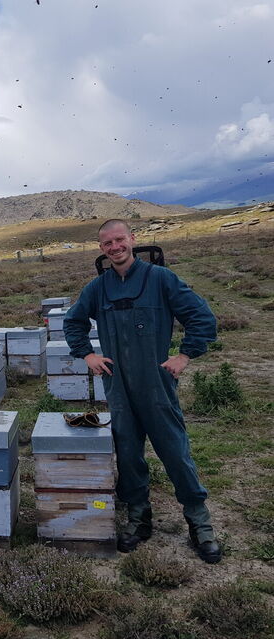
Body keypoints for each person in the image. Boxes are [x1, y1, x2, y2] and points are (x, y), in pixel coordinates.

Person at [63, 219, 221, 563]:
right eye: (107, 243)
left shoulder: (160, 279)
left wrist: (185, 354)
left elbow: (202, 317)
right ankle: (139, 519)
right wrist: (88, 354)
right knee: (129, 455)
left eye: (119, 240)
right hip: (117, 387)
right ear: (101, 248)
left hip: (157, 385)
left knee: (176, 453)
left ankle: (200, 523)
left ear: (132, 240)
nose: (114, 247)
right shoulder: (97, 288)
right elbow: (73, 322)